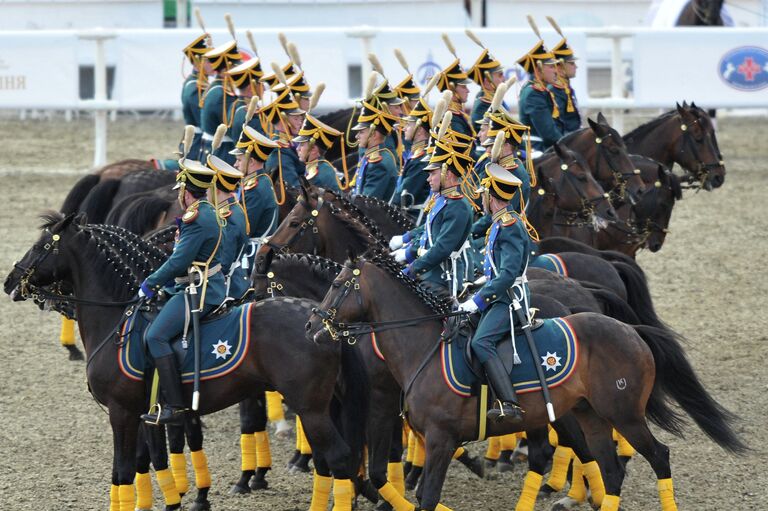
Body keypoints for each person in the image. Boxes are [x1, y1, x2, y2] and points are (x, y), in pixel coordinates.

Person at [138, 158, 225, 425]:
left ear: (186, 192)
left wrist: (150, 283)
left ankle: (175, 407)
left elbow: (179, 261)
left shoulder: (196, 219)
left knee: (155, 336)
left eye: (180, 190)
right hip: (197, 283)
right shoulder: (208, 211)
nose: (179, 195)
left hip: (199, 290)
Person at [457, 163, 537, 423]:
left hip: (511, 300)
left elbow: (508, 275)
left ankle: (509, 403)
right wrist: (476, 285)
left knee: (482, 341)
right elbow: (496, 270)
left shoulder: (510, 225)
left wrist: (478, 300)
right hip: (499, 294)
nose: (481, 197)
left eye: (483, 193)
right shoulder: (499, 223)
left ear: (492, 197)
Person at [390, 135, 474, 295]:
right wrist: (407, 249)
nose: (428, 179)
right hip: (430, 270)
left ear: (447, 174)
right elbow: (428, 233)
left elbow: (442, 248)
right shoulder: (444, 199)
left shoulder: (458, 206)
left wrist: (411, 270)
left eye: (432, 174)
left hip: (443, 277)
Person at [230, 125, 280, 270]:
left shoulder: (256, 189)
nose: (235, 164)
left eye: (239, 160)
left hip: (252, 257)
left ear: (251, 161)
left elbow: (243, 230)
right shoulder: (260, 181)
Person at [207, 153, 250, 302]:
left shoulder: (228, 218)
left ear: (215, 190)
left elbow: (224, 264)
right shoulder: (232, 208)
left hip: (227, 286)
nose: (205, 194)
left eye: (207, 189)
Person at [517, 40, 564, 152]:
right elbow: (548, 133)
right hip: (538, 149)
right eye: (551, 67)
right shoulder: (533, 93)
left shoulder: (540, 91)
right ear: (538, 69)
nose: (556, 71)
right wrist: (567, 145)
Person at [201, 40, 243, 160]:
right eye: (235, 67)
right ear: (226, 70)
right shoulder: (222, 95)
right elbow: (233, 130)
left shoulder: (216, 87)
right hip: (222, 153)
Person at [350, 101, 399, 200]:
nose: (357, 136)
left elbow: (366, 202)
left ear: (374, 134)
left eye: (361, 132)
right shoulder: (372, 157)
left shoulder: (379, 164)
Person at [262, 87, 307, 189]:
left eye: (300, 118)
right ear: (283, 120)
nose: (300, 122)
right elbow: (294, 190)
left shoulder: (290, 143)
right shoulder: (279, 154)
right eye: (296, 118)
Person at [393, 97, 432, 210]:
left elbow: (402, 198)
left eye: (409, 125)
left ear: (419, 130)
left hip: (413, 217)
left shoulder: (421, 160)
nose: (404, 128)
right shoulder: (417, 155)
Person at [226, 57, 266, 165]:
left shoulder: (235, 105)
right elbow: (266, 145)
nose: (264, 88)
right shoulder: (251, 115)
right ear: (251, 87)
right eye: (261, 84)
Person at [293, 114, 344, 192]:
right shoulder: (315, 166)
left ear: (313, 149)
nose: (297, 148)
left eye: (302, 145)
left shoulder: (322, 173)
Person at [181, 33, 212, 161]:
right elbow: (204, 123)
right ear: (199, 61)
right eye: (210, 60)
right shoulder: (196, 88)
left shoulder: (197, 83)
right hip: (198, 146)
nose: (214, 64)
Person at [548, 29, 581, 134]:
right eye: (572, 63)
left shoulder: (566, 89)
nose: (576, 66)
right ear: (560, 67)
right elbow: (558, 123)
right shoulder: (554, 90)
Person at [436, 59, 476, 140]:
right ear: (452, 89)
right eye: (463, 87)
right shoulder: (450, 117)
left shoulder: (457, 114)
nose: (468, 91)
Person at [467, 45, 505, 126]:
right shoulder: (483, 106)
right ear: (487, 80)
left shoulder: (494, 98)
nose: (504, 79)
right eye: (500, 75)